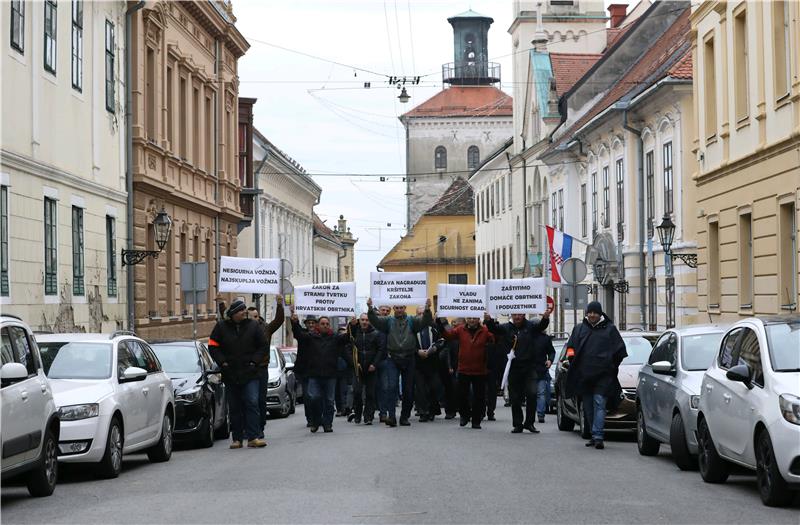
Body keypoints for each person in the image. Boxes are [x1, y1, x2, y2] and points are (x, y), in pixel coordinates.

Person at [563, 301, 627, 450]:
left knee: (599, 403)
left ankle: (598, 436)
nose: (592, 315)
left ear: (600, 314)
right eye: (590, 312)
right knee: (588, 407)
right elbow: (570, 348)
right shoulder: (579, 329)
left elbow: (620, 351)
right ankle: (593, 434)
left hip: (603, 376)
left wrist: (611, 366)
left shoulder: (610, 330)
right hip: (584, 376)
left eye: (595, 313)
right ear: (586, 313)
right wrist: (573, 361)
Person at [208, 300, 268, 449]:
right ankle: (237, 439)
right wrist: (223, 363)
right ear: (233, 314)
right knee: (235, 406)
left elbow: (263, 345)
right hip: (231, 373)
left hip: (250, 373)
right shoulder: (221, 327)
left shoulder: (253, 326)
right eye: (240, 311)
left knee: (252, 402)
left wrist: (254, 362)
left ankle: (254, 436)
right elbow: (213, 346)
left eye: (244, 310)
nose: (243, 313)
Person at [485, 305, 554, 434]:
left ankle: (529, 423)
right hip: (514, 368)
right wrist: (488, 320)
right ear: (511, 315)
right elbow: (494, 329)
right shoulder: (506, 328)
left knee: (532, 394)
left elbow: (541, 327)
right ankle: (517, 424)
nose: (517, 317)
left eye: (520, 314)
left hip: (529, 367)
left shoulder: (530, 327)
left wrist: (545, 318)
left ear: (524, 315)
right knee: (515, 398)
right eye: (515, 314)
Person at [367, 298, 433, 427]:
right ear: (394, 308)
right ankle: (392, 417)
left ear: (405, 308)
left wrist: (427, 309)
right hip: (393, 358)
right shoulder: (388, 321)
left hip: (409, 358)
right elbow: (375, 321)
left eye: (401, 307)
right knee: (391, 388)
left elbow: (424, 321)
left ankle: (404, 417)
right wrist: (370, 308)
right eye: (396, 308)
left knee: (408, 390)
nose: (399, 310)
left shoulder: (412, 321)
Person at [290, 312, 351, 433]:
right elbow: (299, 335)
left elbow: (347, 338)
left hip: (330, 375)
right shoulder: (311, 336)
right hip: (314, 375)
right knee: (313, 398)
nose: (325, 326)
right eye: (322, 323)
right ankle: (316, 420)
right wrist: (295, 322)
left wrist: (353, 326)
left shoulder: (334, 337)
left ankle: (328, 423)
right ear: (318, 325)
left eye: (327, 324)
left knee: (329, 401)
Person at [437, 316, 494, 429]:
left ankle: (476, 420)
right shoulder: (460, 329)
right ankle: (465, 415)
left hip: (479, 370)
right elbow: (448, 336)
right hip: (463, 368)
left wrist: (489, 321)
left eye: (474, 318)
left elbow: (493, 339)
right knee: (461, 395)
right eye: (469, 318)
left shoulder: (485, 331)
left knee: (479, 397)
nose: (472, 320)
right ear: (466, 319)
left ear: (478, 319)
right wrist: (440, 323)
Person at [246, 299, 285, 439]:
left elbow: (279, 320)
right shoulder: (242, 329)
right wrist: (221, 304)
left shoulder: (266, 329)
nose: (254, 319)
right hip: (246, 369)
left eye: (256, 316)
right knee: (249, 400)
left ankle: (260, 427)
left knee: (261, 400)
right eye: (251, 317)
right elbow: (227, 320)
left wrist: (280, 304)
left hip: (261, 369)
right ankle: (250, 428)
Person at [346, 313, 385, 424]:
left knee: (370, 394)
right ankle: (357, 414)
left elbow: (380, 350)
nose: (364, 322)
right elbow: (348, 349)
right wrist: (354, 363)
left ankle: (368, 416)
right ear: (359, 321)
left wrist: (374, 364)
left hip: (371, 368)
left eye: (367, 320)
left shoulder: (375, 334)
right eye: (362, 320)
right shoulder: (354, 333)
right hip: (357, 369)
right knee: (357, 392)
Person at [414, 308, 443, 422]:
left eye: (424, 313)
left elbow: (441, 341)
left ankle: (432, 410)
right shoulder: (412, 328)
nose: (422, 316)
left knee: (433, 388)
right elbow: (408, 343)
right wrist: (417, 351)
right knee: (420, 389)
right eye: (420, 314)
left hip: (433, 362)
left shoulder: (434, 327)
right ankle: (423, 412)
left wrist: (435, 348)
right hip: (418, 363)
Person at [294, 316, 317, 427]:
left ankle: (318, 417)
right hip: (305, 371)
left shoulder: (320, 335)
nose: (311, 325)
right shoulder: (302, 335)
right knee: (308, 396)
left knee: (317, 396)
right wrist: (294, 321)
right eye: (309, 323)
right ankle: (310, 418)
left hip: (318, 370)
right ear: (306, 324)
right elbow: (297, 332)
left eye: (313, 323)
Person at [439, 317, 463, 419]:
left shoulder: (465, 334)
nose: (454, 326)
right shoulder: (452, 334)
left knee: (461, 389)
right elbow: (448, 351)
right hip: (452, 366)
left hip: (462, 365)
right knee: (450, 388)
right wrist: (449, 366)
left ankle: (460, 410)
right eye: (453, 323)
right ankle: (450, 410)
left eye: (456, 323)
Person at [374, 305, 391, 423]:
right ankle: (369, 413)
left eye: (386, 311)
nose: (384, 312)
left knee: (385, 387)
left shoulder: (390, 324)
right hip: (371, 360)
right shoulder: (372, 324)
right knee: (373, 388)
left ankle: (383, 413)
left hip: (385, 359)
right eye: (382, 310)